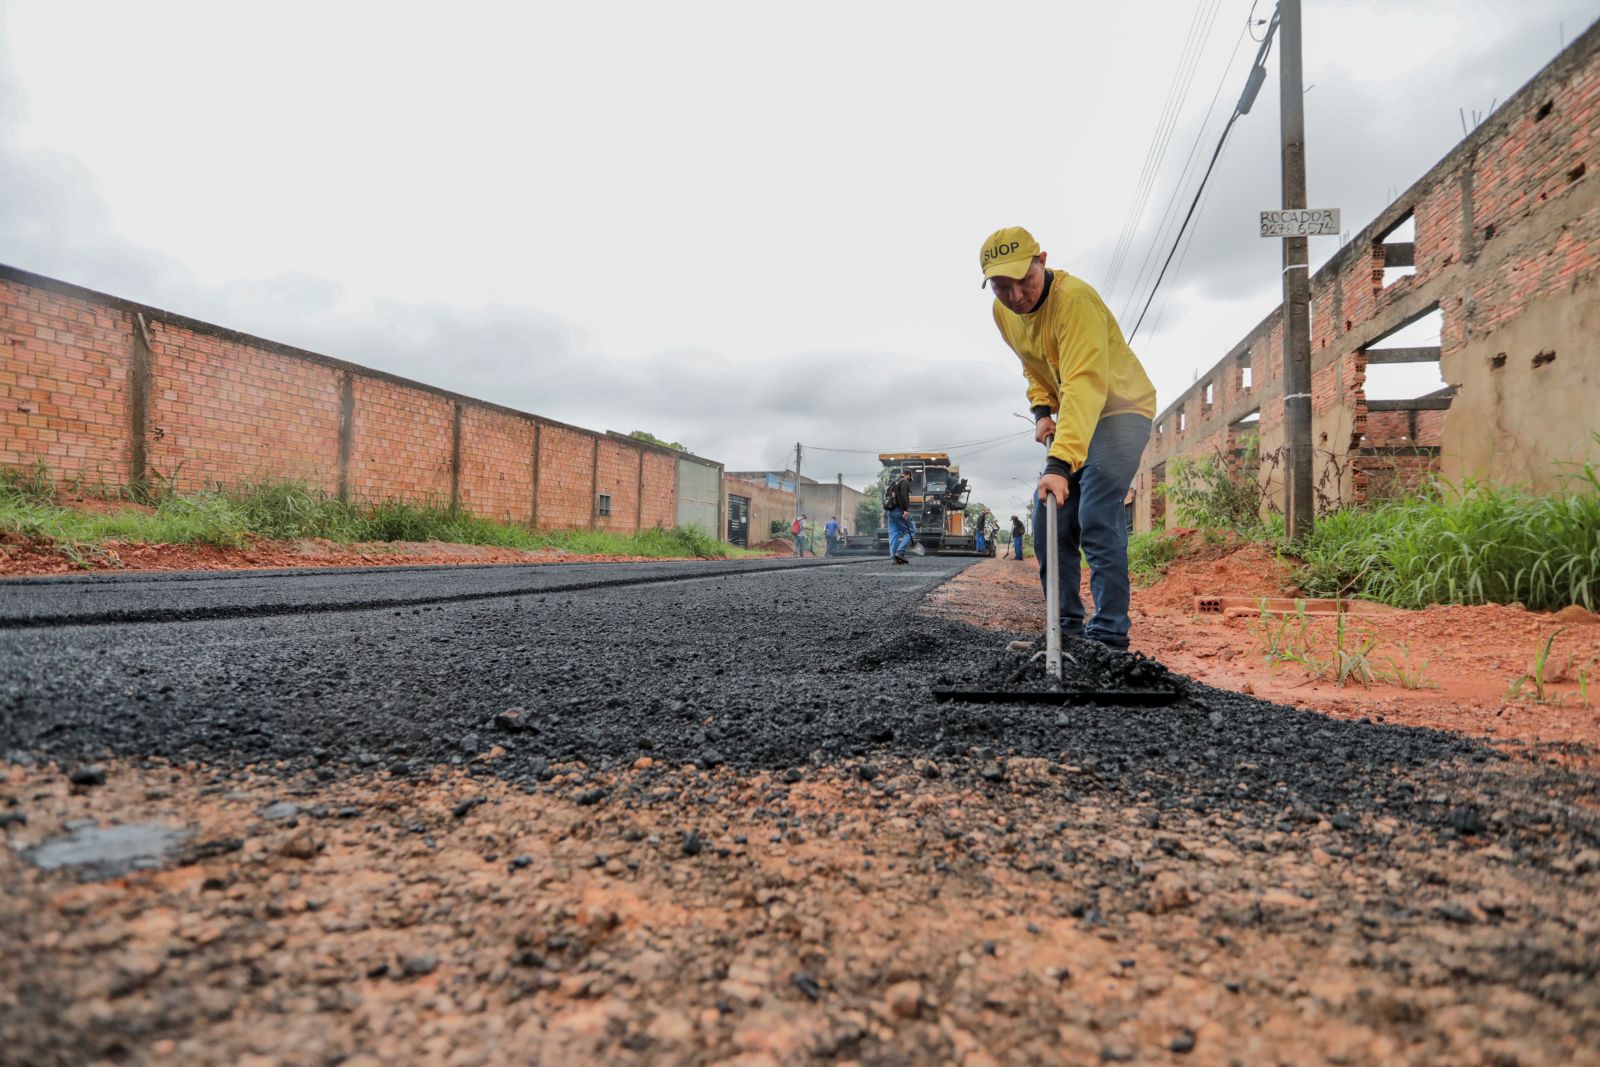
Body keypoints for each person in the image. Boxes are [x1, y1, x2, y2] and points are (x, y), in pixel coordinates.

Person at [980, 226, 1156, 649]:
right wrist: (1041, 410)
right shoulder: (1004, 313)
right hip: (1076, 417)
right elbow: (1033, 365)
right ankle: (1066, 632)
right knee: (1048, 522)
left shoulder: (1074, 301)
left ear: (1042, 260)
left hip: (1120, 411)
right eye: (1004, 287)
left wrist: (1059, 465)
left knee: (1095, 515)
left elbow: (1082, 383)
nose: (1017, 295)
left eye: (1025, 280)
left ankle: (1109, 636)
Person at [884, 469, 914, 564]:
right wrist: (905, 510)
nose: (909, 480)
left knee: (893, 534)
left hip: (891, 511)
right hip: (899, 510)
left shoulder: (894, 481)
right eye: (909, 478)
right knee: (911, 531)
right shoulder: (904, 481)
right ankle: (900, 553)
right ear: (908, 475)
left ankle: (894, 558)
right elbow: (904, 495)